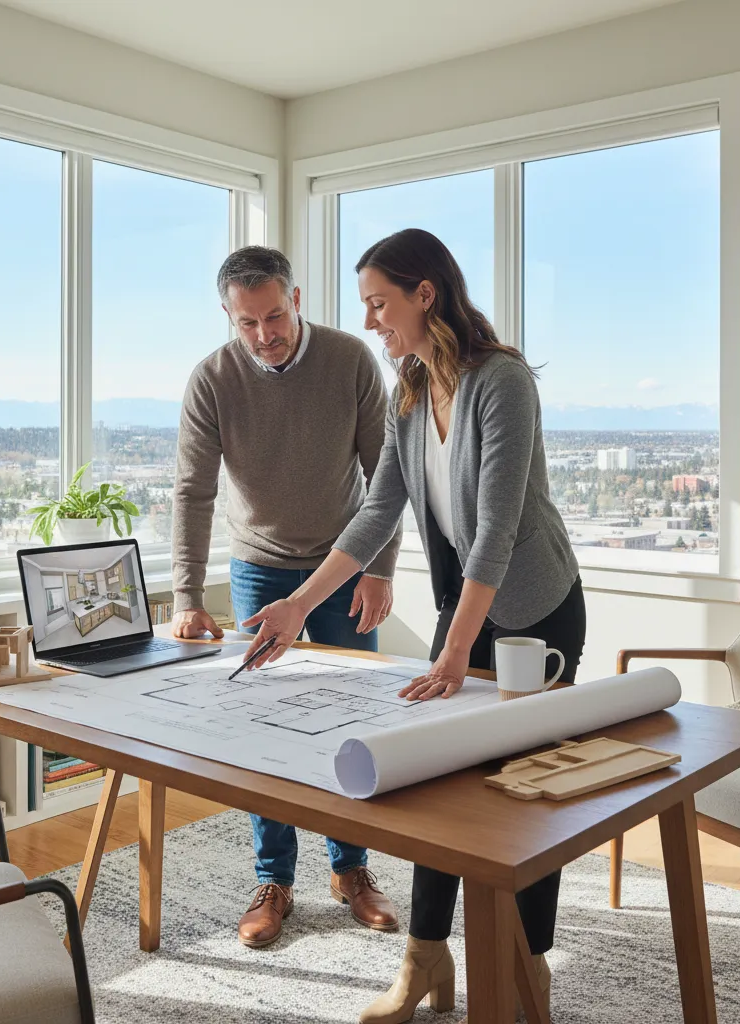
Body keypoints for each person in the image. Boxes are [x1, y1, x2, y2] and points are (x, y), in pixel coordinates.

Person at [238, 228, 586, 1022]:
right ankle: (426, 961)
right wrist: (297, 605)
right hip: (468, 607)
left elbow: (495, 530)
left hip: (535, 610)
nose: (369, 322)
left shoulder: (501, 383)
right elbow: (373, 515)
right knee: (436, 779)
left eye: (378, 303)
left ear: (425, 294)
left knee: (523, 793)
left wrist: (459, 650)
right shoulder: (407, 387)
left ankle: (528, 974)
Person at [171, 245, 402, 949]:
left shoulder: (351, 361)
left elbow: (386, 478)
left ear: (296, 299)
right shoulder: (211, 379)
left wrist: (379, 568)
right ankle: (275, 879)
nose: (265, 334)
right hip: (261, 572)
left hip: (342, 568)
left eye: (275, 315)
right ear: (227, 317)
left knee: (348, 720)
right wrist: (186, 593)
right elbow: (193, 491)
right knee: (261, 730)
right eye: (248, 323)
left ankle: (352, 868)